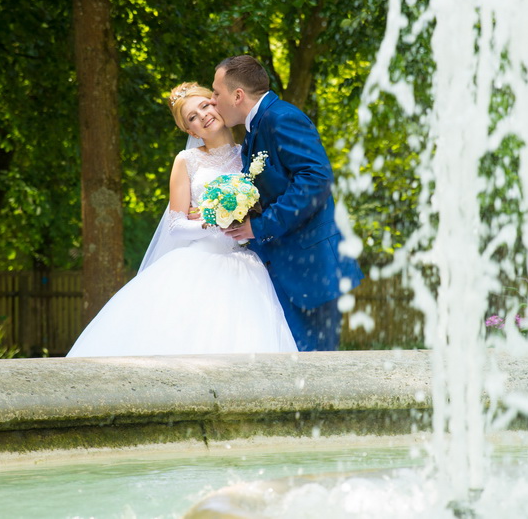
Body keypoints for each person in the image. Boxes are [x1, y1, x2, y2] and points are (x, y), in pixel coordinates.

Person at [66, 82, 297, 357]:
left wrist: (248, 214)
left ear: (216, 102)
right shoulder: (186, 161)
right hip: (199, 263)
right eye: (192, 118)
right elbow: (176, 226)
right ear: (190, 130)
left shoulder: (250, 156)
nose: (203, 116)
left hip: (247, 265)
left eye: (204, 105)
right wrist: (211, 218)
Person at [211, 55, 363, 351]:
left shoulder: (282, 118)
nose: (214, 101)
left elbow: (316, 179)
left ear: (237, 95)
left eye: (217, 93)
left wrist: (261, 225)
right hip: (283, 266)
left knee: (315, 369)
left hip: (310, 269)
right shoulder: (256, 127)